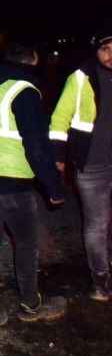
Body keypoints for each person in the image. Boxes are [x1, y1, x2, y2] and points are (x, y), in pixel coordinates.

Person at [0, 42, 66, 333]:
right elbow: (36, 146)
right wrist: (53, 187)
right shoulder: (24, 92)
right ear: (30, 61)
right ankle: (30, 306)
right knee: (27, 245)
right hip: (13, 186)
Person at [49, 24, 112, 302]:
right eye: (105, 49)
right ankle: (101, 281)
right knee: (97, 224)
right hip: (92, 165)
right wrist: (59, 157)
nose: (111, 55)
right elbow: (59, 119)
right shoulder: (81, 78)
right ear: (96, 51)